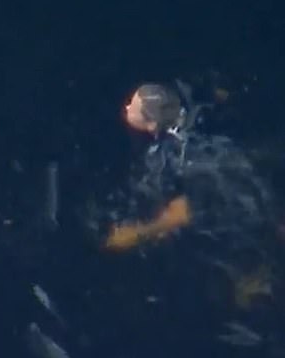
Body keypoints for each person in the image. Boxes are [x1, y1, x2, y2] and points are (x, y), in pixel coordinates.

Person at [104, 82, 275, 264]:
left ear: (152, 125)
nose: (127, 106)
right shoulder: (200, 115)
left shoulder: (163, 157)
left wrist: (136, 234)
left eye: (134, 107)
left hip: (225, 204)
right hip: (244, 169)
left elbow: (184, 211)